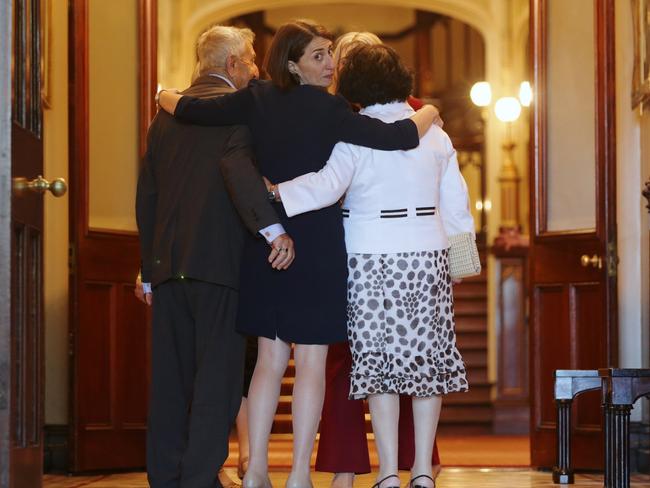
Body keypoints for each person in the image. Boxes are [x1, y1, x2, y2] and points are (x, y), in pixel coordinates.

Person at [157, 19, 439, 488]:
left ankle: (257, 472)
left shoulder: (255, 98)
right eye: (319, 56)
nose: (331, 65)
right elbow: (400, 138)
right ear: (292, 63)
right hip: (318, 242)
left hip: (264, 240)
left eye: (330, 54)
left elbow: (190, 110)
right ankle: (298, 476)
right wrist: (428, 110)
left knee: (269, 359)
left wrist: (162, 94)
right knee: (308, 361)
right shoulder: (331, 112)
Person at [270, 44, 472, 488]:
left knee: (376, 365)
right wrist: (461, 258)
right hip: (426, 255)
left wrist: (276, 190)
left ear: (355, 85)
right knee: (427, 364)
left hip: (369, 257)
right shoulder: (434, 133)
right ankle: (421, 469)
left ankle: (386, 473)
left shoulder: (354, 134)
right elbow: (455, 200)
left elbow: (324, 188)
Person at [136, 25, 295, 488]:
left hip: (168, 268)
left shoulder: (163, 119)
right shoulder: (238, 115)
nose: (254, 69)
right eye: (249, 60)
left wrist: (148, 269)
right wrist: (272, 231)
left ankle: (165, 477)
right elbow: (238, 173)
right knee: (217, 380)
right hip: (220, 266)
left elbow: (147, 195)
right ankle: (198, 478)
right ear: (232, 66)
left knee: (169, 380)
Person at [315, 31, 441, 488]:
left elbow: (443, 182)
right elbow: (326, 183)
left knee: (415, 360)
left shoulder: (410, 110)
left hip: (406, 248)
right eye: (336, 56)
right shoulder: (333, 111)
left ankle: (416, 464)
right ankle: (347, 465)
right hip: (350, 250)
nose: (337, 65)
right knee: (347, 364)